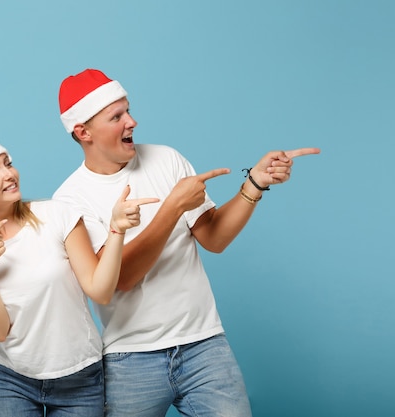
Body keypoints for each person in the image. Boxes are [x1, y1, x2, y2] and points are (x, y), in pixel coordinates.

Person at [53, 69, 320, 417]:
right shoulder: (70, 200)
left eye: (128, 110)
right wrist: (173, 206)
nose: (131, 122)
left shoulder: (166, 160)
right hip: (130, 357)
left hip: (204, 345)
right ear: (83, 132)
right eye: (116, 117)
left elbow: (212, 236)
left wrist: (255, 183)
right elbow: (119, 279)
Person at [0, 131, 158, 417]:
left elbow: (100, 290)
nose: (9, 174)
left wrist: (116, 229)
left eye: (8, 163)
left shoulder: (57, 215)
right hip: (11, 380)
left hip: (80, 379)